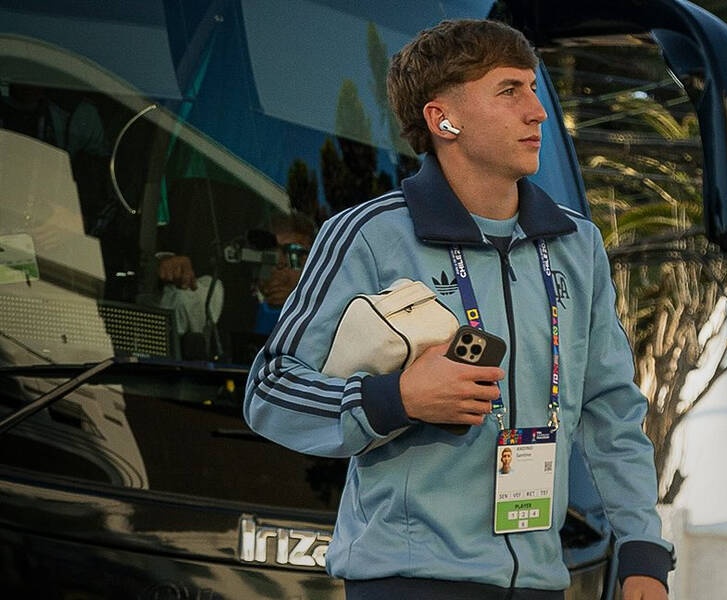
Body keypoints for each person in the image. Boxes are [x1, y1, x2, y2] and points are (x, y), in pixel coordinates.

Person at [244, 18, 674, 599]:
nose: (537, 112)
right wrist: (398, 399)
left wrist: (642, 548)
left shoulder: (578, 244)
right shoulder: (369, 235)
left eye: (533, 88)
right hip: (409, 581)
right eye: (509, 90)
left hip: (541, 582)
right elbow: (269, 390)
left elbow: (611, 408)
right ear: (443, 118)